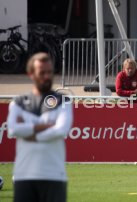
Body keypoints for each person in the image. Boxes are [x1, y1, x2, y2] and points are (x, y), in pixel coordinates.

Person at [7, 52, 73, 202]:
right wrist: (42, 127)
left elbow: (61, 130)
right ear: (31, 74)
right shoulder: (18, 102)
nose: (47, 76)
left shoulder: (63, 102)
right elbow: (13, 130)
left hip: (54, 175)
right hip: (23, 176)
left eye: (49, 72)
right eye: (42, 72)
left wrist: (29, 132)